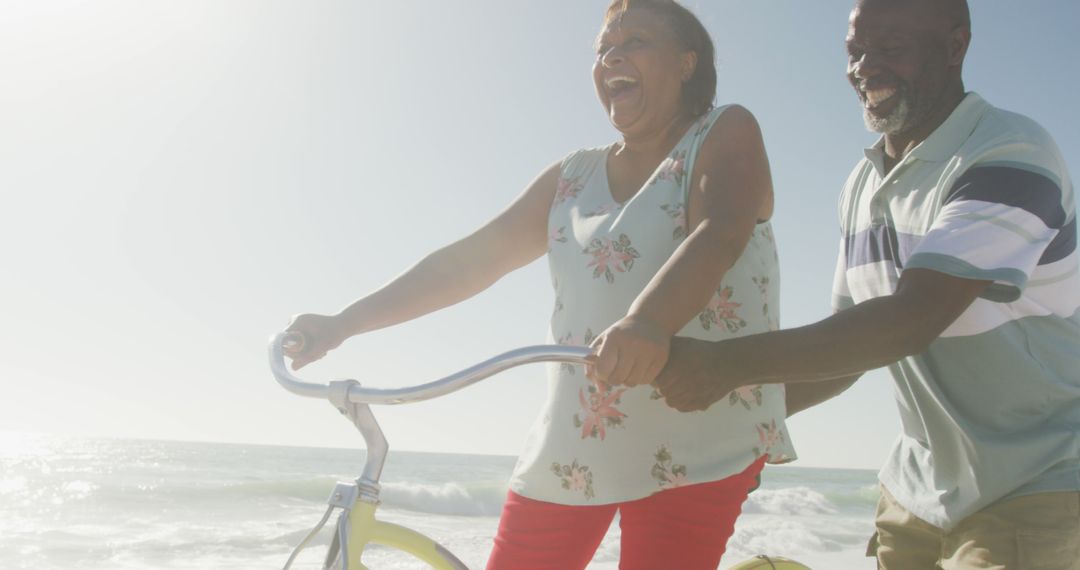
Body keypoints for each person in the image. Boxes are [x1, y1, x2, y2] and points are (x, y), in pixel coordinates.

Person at [284, 1, 796, 567]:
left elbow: (719, 230)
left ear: (685, 63)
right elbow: (468, 262)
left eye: (635, 43)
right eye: (603, 50)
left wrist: (647, 323)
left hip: (699, 427)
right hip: (580, 431)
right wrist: (342, 323)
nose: (613, 57)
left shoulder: (724, 130)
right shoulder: (572, 175)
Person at [645, 0, 1080, 568]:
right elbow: (846, 354)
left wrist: (723, 366)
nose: (865, 67)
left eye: (891, 49)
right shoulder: (861, 183)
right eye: (855, 52)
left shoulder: (1009, 155)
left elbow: (908, 320)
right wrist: (749, 437)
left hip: (1038, 483)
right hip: (914, 494)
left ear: (956, 46)